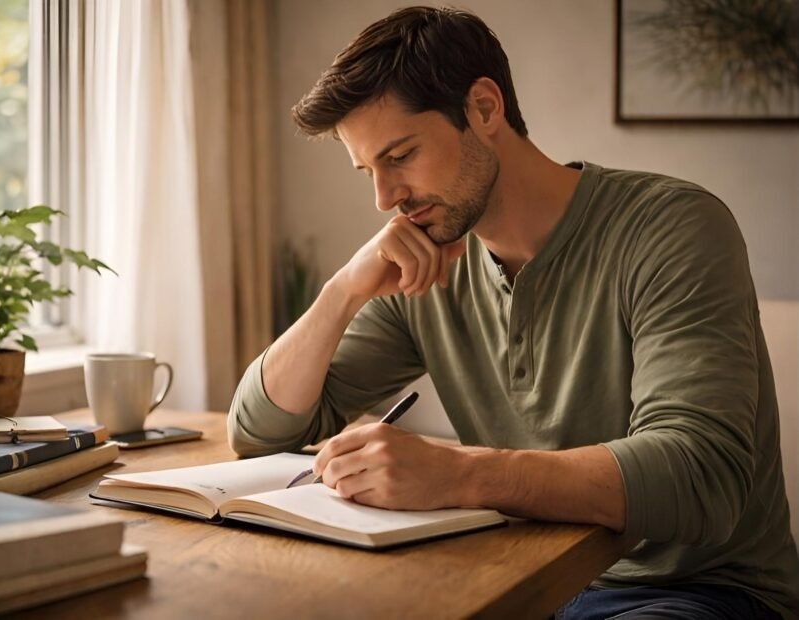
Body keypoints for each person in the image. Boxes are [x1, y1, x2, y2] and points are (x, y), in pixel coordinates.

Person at [227, 6, 799, 618]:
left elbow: (700, 475)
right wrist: (342, 289)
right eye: (369, 170)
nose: (384, 198)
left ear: (483, 108)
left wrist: (461, 474)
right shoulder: (427, 266)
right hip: (521, 578)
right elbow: (262, 433)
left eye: (400, 156)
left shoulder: (673, 228)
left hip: (696, 593)